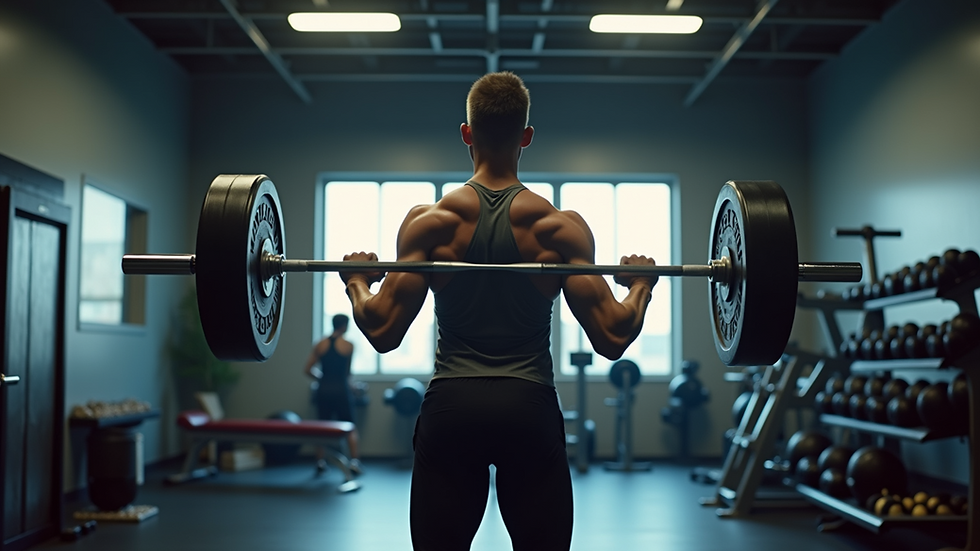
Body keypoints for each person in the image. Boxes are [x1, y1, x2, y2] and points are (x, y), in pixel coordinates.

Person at [340, 71, 657, 551]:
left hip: (452, 407)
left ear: (466, 133)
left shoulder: (430, 223)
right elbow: (613, 337)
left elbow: (383, 330)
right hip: (528, 408)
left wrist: (357, 280)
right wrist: (640, 286)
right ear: (526, 136)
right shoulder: (558, 227)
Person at [303, 313, 362, 474]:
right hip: (341, 389)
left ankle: (320, 462)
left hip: (324, 389)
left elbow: (308, 369)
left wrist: (322, 378)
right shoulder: (349, 345)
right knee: (350, 426)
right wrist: (352, 387)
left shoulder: (320, 344)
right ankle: (354, 462)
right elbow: (347, 373)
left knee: (321, 426)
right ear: (344, 326)